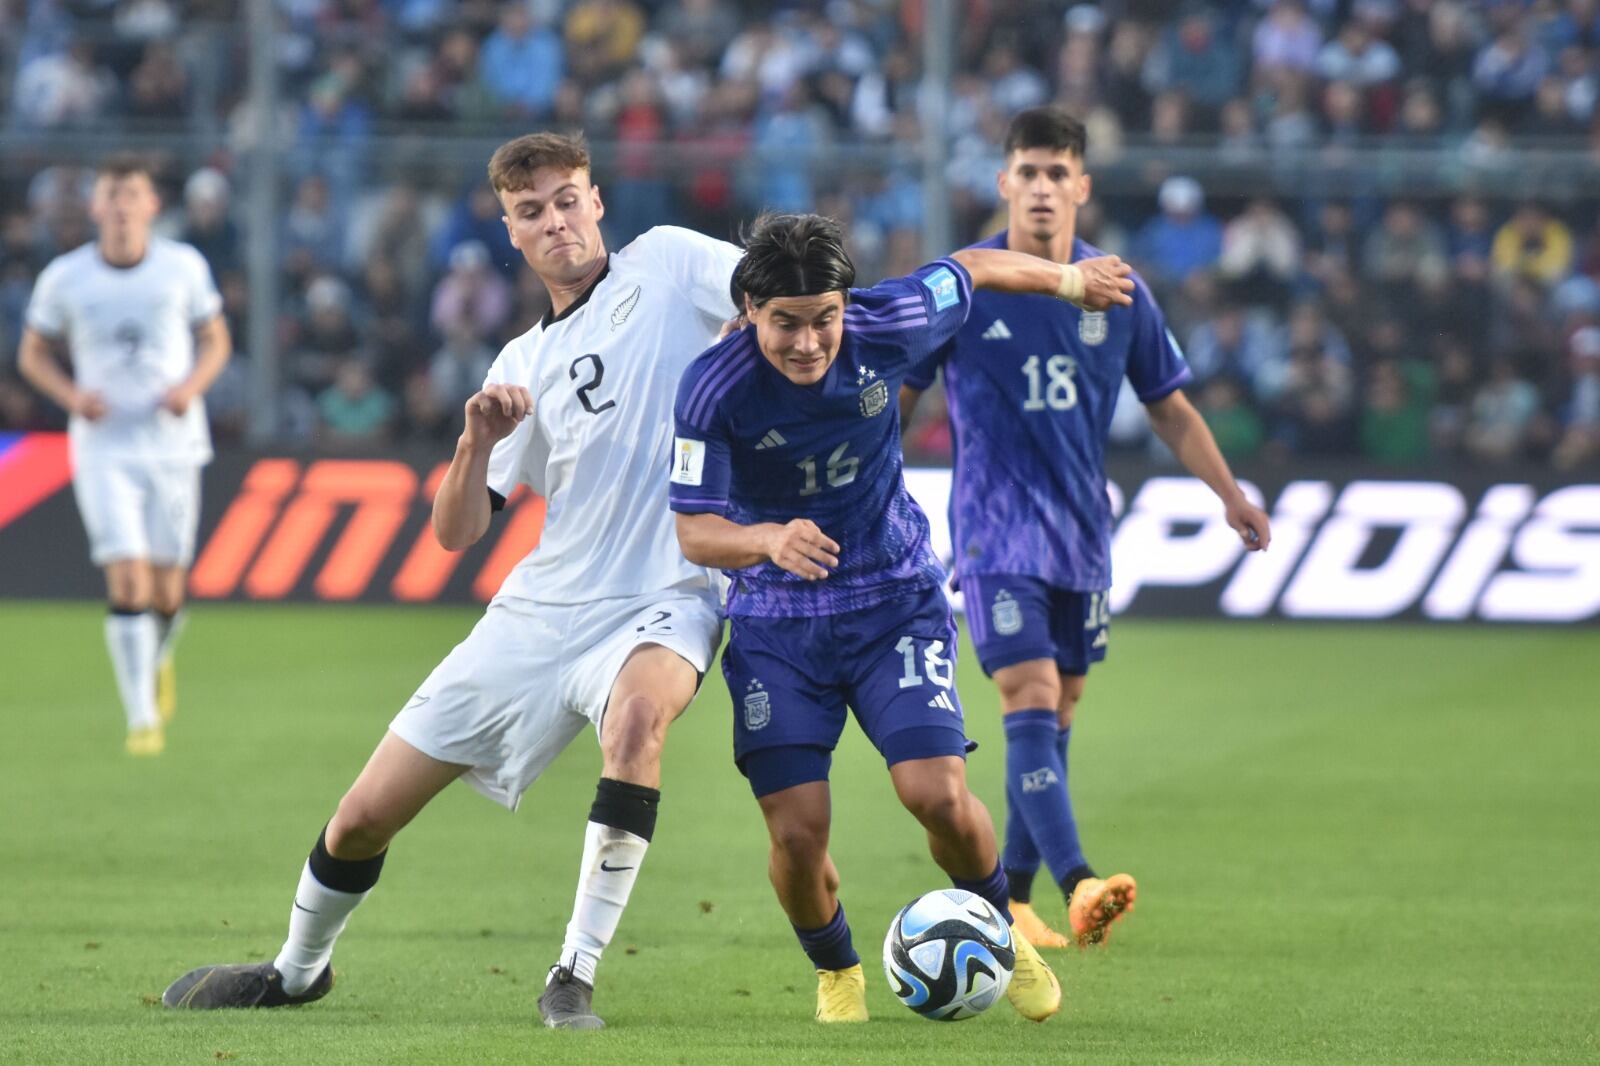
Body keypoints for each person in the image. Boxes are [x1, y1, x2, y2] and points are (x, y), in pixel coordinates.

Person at [161, 132, 743, 1030]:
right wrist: (474, 441)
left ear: (596, 201)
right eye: (530, 212)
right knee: (361, 818)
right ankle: (295, 971)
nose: (554, 222)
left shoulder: (667, 261)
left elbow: (778, 295)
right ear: (509, 231)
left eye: (565, 200)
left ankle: (573, 975)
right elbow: (456, 531)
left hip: (671, 592)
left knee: (637, 722)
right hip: (543, 609)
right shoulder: (519, 363)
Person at [669, 211, 1133, 1023]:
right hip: (779, 623)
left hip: (893, 601)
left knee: (938, 795)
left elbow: (975, 266)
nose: (810, 343)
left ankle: (1006, 937)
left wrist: (1068, 280)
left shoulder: (892, 320)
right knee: (799, 833)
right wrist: (767, 537)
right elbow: (693, 530)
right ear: (749, 312)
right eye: (786, 324)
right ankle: (837, 973)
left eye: (824, 319)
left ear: (848, 305)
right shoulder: (714, 387)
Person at [900, 107, 1272, 949]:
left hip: (1082, 532)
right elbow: (904, 390)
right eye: (1026, 172)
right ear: (1004, 183)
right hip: (995, 531)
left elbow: (1170, 409)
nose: (1041, 187)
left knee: (1060, 709)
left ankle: (1017, 902)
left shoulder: (1120, 290)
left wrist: (1229, 493)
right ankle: (1081, 882)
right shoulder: (972, 283)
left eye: (1056, 173)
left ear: (1082, 187)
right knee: (1027, 695)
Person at [18, 153, 232, 756]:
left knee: (168, 590)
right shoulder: (66, 276)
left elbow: (216, 339)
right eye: (110, 195)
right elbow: (32, 353)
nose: (119, 206)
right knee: (128, 577)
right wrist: (70, 395)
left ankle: (157, 661)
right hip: (104, 446)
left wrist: (190, 389)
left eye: (130, 195)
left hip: (173, 442)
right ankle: (141, 717)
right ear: (94, 206)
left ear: (151, 205)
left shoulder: (182, 267)